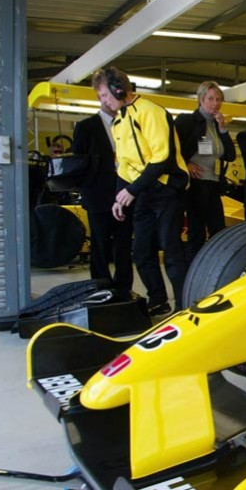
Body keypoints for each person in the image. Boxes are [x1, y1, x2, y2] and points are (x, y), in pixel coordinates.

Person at [101, 67, 189, 314]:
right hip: (144, 192)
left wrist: (133, 190)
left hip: (167, 188)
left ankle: (183, 306)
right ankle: (158, 300)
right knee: (141, 251)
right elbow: (124, 166)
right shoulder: (118, 122)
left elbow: (163, 158)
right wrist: (120, 197)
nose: (104, 101)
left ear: (119, 89)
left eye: (105, 95)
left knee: (171, 250)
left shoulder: (151, 112)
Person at [71, 86, 134, 298]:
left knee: (124, 244)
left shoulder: (129, 123)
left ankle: (124, 289)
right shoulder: (86, 127)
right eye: (106, 96)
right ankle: (100, 289)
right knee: (100, 245)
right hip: (98, 194)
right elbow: (78, 163)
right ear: (100, 97)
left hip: (125, 193)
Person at [175, 81, 236, 265]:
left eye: (218, 99)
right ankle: (192, 268)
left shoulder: (217, 125)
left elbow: (231, 155)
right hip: (196, 183)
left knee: (218, 228)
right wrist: (186, 164)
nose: (215, 103)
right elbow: (171, 147)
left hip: (213, 183)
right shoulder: (188, 121)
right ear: (201, 99)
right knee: (197, 230)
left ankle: (215, 266)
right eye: (210, 99)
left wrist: (223, 128)